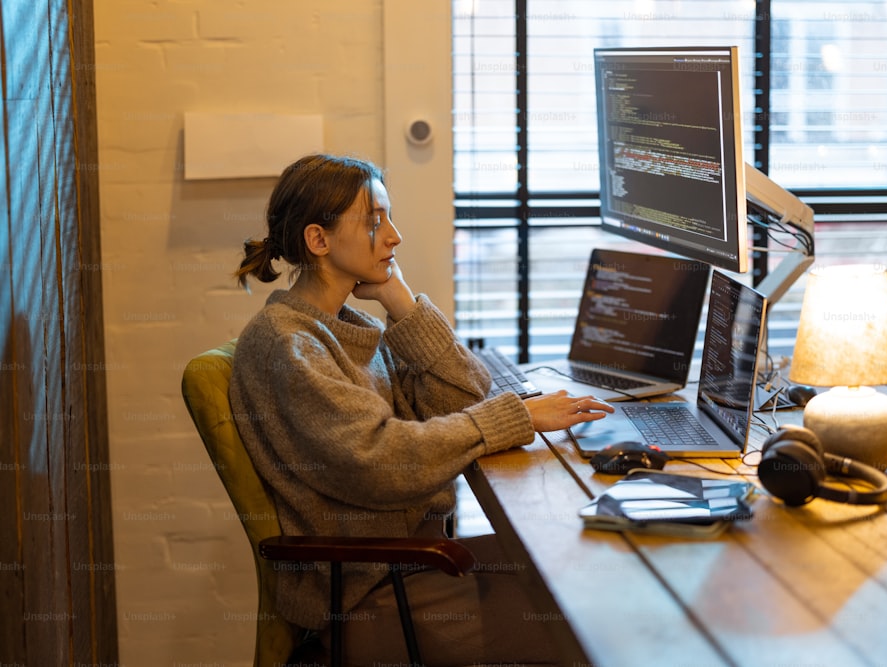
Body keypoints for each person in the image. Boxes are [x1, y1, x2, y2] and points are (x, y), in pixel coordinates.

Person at [229, 153, 613, 665]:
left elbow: (465, 402)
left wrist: (401, 302)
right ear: (318, 241)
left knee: (599, 561)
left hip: (419, 565)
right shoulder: (287, 346)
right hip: (378, 596)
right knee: (608, 623)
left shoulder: (347, 329)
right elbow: (382, 461)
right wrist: (517, 417)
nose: (394, 236)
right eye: (373, 221)